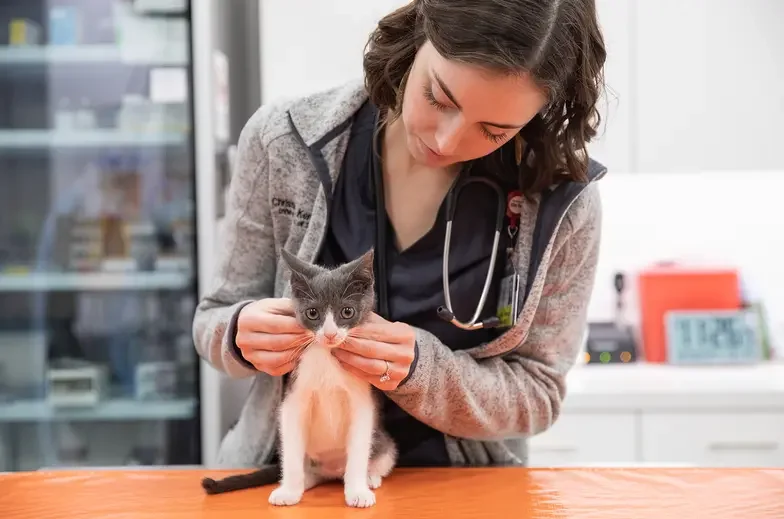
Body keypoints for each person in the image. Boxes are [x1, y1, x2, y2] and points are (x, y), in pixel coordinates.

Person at [193, 0, 607, 469]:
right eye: (438, 97)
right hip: (291, 481)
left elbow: (538, 395)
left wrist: (421, 371)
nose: (447, 142)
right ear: (418, 35)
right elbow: (211, 322)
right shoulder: (282, 141)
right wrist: (239, 333)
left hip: (460, 492)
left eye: (494, 131)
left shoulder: (561, 202)